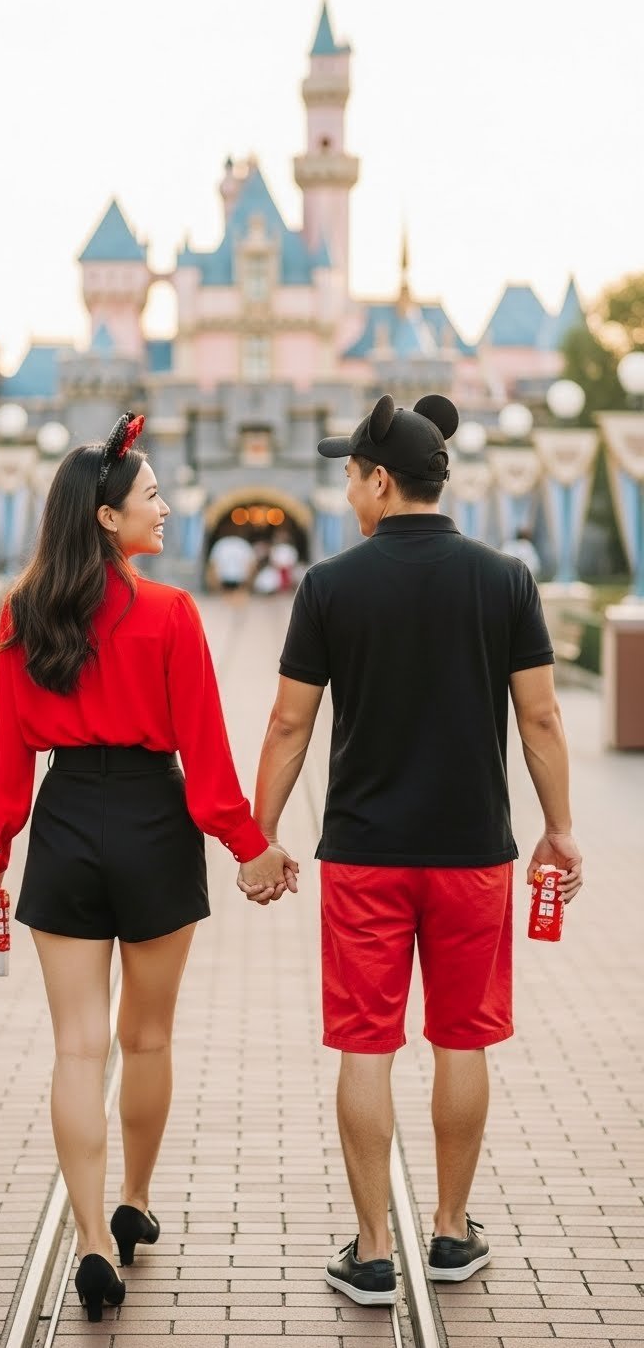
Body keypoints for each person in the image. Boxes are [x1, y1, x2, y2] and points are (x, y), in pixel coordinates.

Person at [242, 393, 582, 1306]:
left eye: (351, 474)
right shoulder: (506, 579)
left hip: (365, 854)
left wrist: (259, 835)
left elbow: (287, 723)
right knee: (463, 1038)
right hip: (475, 850)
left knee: (367, 1044)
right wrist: (560, 826)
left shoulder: (330, 585)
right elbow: (541, 715)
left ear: (381, 481)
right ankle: (449, 1232)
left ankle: (371, 1249)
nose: (348, 489)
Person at [0, 413, 295, 1323]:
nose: (167, 505)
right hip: (152, 822)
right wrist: (250, 846)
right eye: (152, 495)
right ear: (108, 517)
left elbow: (4, 753)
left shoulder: (22, 614)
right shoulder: (169, 614)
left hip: (67, 821)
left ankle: (92, 1242)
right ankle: (134, 1201)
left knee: (77, 1046)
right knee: (145, 1039)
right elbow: (206, 757)